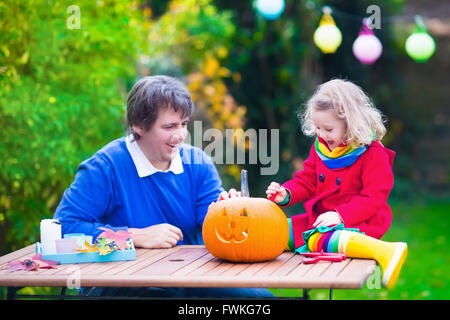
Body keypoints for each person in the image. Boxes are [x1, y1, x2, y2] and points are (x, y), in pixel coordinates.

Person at [54, 75, 273, 298]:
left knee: (260, 300)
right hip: (125, 281)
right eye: (169, 126)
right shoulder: (104, 168)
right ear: (139, 126)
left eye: (184, 124)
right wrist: (133, 236)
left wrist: (226, 211)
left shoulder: (197, 163)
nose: (179, 135)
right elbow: (63, 229)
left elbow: (211, 226)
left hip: (191, 277)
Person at [266, 79, 407, 288]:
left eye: (328, 129)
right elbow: (307, 180)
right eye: (317, 127)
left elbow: (373, 198)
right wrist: (287, 193)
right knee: (275, 231)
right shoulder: (321, 148)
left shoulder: (371, 153)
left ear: (350, 123)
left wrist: (341, 215)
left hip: (359, 221)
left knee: (316, 239)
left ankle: (386, 251)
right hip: (322, 220)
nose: (321, 134)